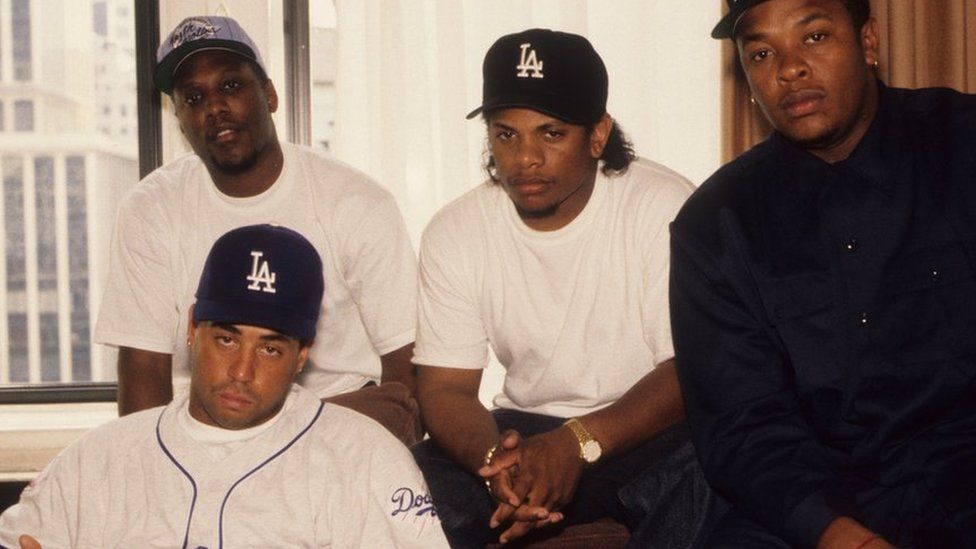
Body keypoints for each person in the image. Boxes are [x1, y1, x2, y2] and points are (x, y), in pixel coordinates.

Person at [671, 0, 976, 547]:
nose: (789, 68)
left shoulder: (963, 144)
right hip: (822, 498)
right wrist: (836, 535)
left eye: (813, 37)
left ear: (869, 43)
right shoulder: (715, 225)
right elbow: (742, 427)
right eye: (762, 52)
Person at [412, 28, 714, 548]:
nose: (524, 158)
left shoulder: (662, 206)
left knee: (711, 473)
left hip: (645, 429)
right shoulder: (456, 229)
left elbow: (689, 373)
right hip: (521, 430)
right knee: (397, 490)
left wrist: (576, 444)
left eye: (551, 134)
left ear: (598, 135)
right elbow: (444, 387)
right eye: (505, 134)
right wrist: (496, 464)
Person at [0, 224, 448, 548]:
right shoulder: (95, 462)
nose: (241, 371)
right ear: (193, 328)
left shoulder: (365, 459)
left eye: (270, 349)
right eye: (227, 339)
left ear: (303, 353)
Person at [94, 15, 422, 444]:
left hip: (337, 428)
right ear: (179, 118)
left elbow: (407, 367)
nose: (214, 108)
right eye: (193, 97)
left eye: (231, 86)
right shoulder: (150, 207)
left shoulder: (356, 201)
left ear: (269, 95)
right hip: (209, 431)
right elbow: (142, 369)